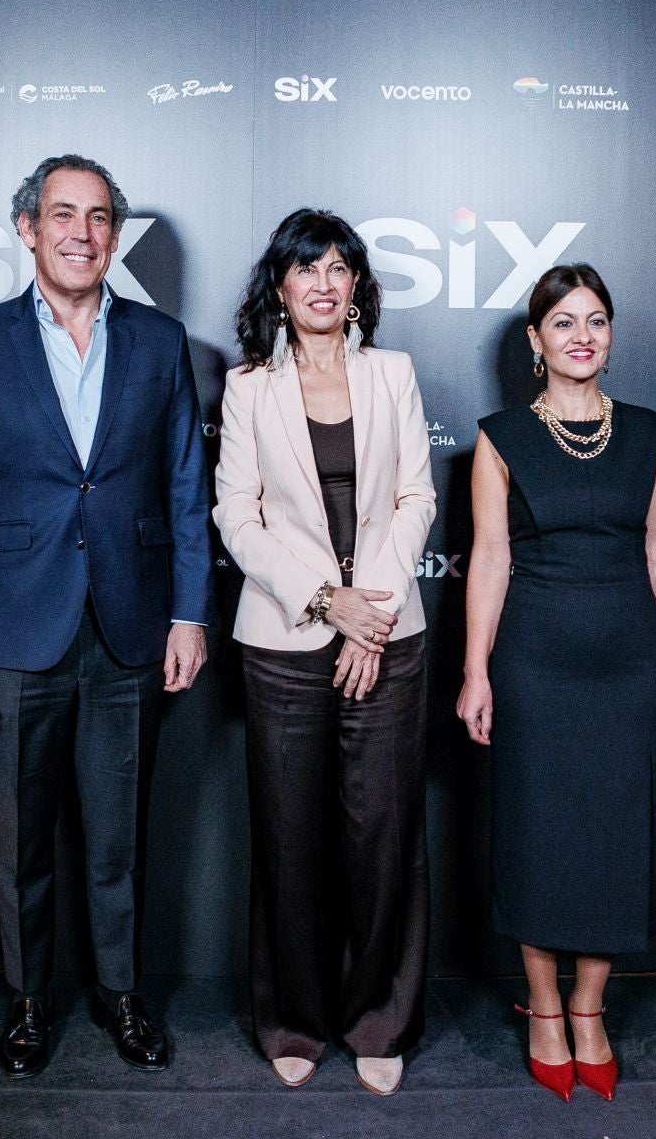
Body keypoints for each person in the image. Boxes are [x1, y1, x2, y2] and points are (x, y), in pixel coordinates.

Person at [0, 155, 214, 1079]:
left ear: (114, 237)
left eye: (97, 218)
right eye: (62, 214)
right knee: (20, 843)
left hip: (128, 628)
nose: (81, 233)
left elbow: (185, 490)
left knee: (117, 838)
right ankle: (28, 999)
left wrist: (190, 614)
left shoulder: (161, 341)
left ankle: (121, 994)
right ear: (28, 228)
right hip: (12, 632)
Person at [457, 264, 656, 1104]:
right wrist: (476, 671)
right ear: (536, 340)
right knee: (538, 834)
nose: (582, 336)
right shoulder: (501, 437)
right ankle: (544, 1009)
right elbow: (489, 560)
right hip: (534, 660)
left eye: (596, 320)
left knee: (614, 836)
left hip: (631, 661)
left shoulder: (649, 432)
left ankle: (590, 1009)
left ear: (611, 334)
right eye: (563, 322)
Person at [212, 209, 438, 1096]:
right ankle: (295, 1021)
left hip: (388, 635)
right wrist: (325, 602)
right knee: (290, 837)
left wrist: (367, 615)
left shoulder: (393, 373)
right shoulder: (247, 388)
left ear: (356, 288)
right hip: (283, 640)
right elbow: (237, 515)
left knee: (384, 837)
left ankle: (380, 1018)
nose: (323, 283)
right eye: (307, 268)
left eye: (339, 268)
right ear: (280, 286)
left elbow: (416, 497)